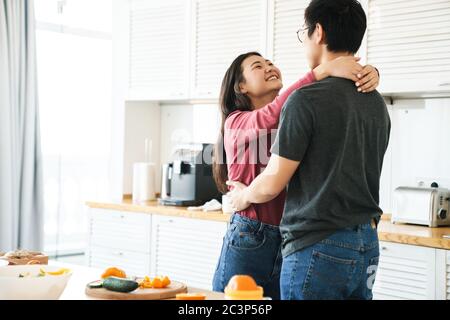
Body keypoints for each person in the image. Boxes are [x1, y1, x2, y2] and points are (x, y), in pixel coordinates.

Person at [227, 0, 390, 300]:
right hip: (366, 244)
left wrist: (243, 194)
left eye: (305, 32)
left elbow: (274, 180)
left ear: (319, 32)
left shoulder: (305, 101)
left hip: (318, 245)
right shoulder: (376, 102)